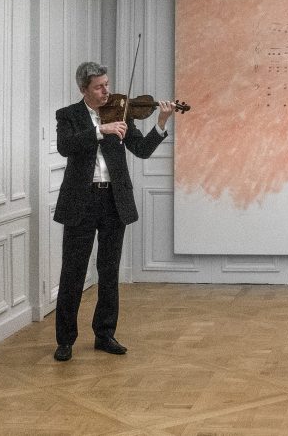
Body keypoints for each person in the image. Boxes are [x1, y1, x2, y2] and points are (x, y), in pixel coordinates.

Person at [53, 61, 175, 362]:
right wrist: (99, 130)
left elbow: (142, 150)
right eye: (99, 86)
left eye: (107, 84)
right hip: (80, 202)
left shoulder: (120, 112)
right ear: (84, 89)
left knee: (109, 272)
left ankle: (104, 334)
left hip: (113, 202)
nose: (107, 91)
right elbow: (65, 146)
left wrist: (161, 121)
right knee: (73, 273)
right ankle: (65, 340)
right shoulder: (68, 115)